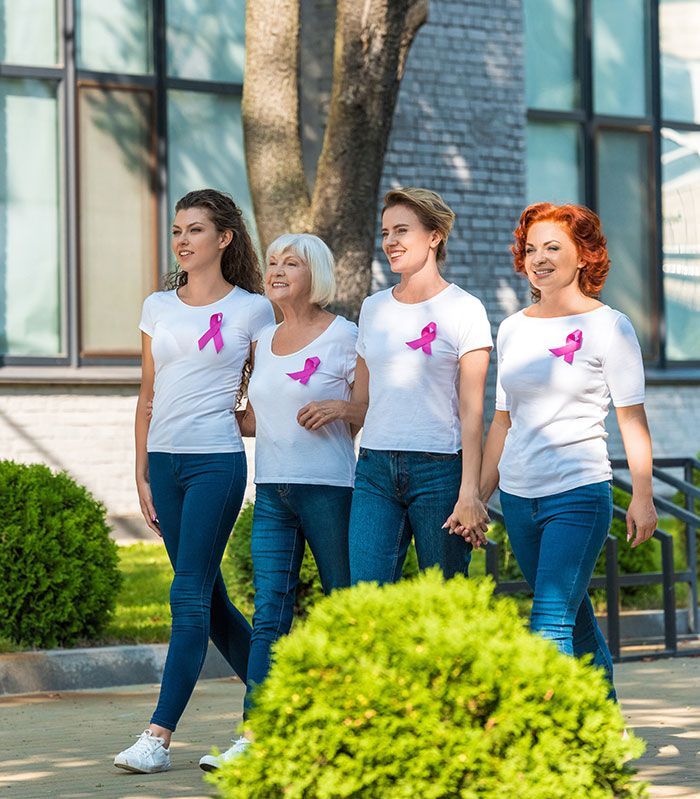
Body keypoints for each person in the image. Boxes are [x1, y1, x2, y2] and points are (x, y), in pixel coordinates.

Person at [113, 189, 274, 774]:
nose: (182, 240)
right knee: (210, 599)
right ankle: (279, 707)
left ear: (224, 238)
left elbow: (268, 389)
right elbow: (147, 395)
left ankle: (157, 736)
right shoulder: (158, 306)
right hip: (165, 464)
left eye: (195, 230)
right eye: (178, 230)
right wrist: (141, 474)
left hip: (215, 462)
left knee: (186, 595)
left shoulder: (253, 310)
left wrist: (257, 421)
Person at [479, 202, 658, 696]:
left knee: (549, 623)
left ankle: (553, 739)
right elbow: (502, 420)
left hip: (577, 491)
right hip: (518, 495)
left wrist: (641, 497)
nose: (539, 258)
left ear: (583, 256)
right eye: (531, 248)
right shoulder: (513, 327)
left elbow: (631, 420)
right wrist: (476, 495)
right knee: (572, 618)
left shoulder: (610, 326)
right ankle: (602, 723)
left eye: (553, 247)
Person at [199, 233, 363, 770]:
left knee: (345, 606)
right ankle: (256, 736)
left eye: (291, 262)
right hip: (272, 491)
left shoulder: (346, 335)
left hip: (330, 491)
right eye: (272, 262)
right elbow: (256, 417)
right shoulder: (262, 340)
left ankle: (356, 725)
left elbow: (370, 410)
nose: (276, 270)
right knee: (270, 613)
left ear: (315, 273)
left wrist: (340, 406)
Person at [348, 187, 493, 586]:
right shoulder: (372, 308)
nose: (390, 242)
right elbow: (361, 403)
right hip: (374, 468)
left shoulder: (465, 310)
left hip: (439, 469)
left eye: (401, 231)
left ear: (434, 236)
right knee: (365, 599)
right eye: (385, 233)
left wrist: (470, 492)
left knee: (443, 600)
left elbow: (473, 412)